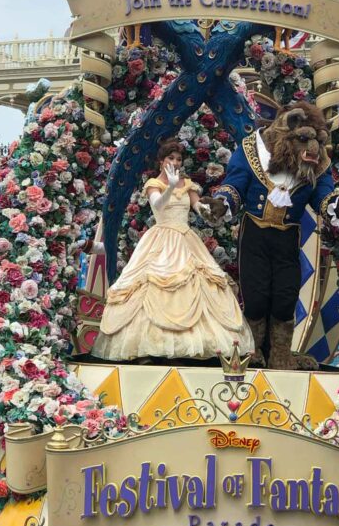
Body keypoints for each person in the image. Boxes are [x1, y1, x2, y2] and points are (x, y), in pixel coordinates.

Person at [92, 139, 254, 361]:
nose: (175, 162)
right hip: (161, 239)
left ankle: (190, 348)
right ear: (161, 162)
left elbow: (198, 208)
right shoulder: (153, 184)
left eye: (178, 159)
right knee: (151, 287)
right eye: (171, 158)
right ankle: (147, 348)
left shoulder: (186, 184)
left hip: (186, 239)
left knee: (197, 284)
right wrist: (170, 185)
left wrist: (212, 209)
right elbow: (158, 205)